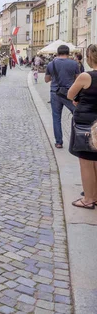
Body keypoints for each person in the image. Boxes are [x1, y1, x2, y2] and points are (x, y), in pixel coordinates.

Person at [66, 44, 97, 209]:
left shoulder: (86, 76)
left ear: (89, 58)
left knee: (86, 161)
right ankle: (95, 194)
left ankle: (88, 199)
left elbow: (70, 94)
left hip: (87, 122)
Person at [45, 45, 79, 148]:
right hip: (70, 93)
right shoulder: (74, 64)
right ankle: (77, 140)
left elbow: (46, 79)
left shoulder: (51, 64)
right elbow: (78, 79)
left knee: (56, 117)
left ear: (58, 52)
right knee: (77, 114)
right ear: (68, 53)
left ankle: (59, 142)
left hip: (55, 92)